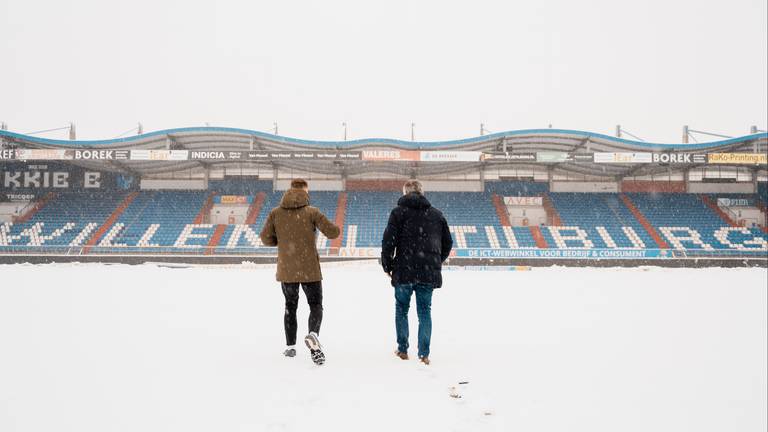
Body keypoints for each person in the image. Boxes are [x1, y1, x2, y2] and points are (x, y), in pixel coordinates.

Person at [260, 179, 340, 365]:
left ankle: (290, 347)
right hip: (309, 269)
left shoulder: (275, 213)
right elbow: (333, 233)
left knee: (290, 307)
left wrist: (282, 242)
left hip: (287, 269)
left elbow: (265, 239)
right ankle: (313, 334)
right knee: (315, 305)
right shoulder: (312, 212)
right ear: (305, 191)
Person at [381, 180, 453, 365]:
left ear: (405, 192)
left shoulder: (398, 213)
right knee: (424, 312)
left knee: (401, 310)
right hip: (428, 273)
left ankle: (403, 350)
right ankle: (424, 354)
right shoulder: (436, 214)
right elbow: (448, 243)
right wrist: (435, 260)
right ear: (422, 192)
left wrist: (387, 265)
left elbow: (388, 241)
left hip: (404, 271)